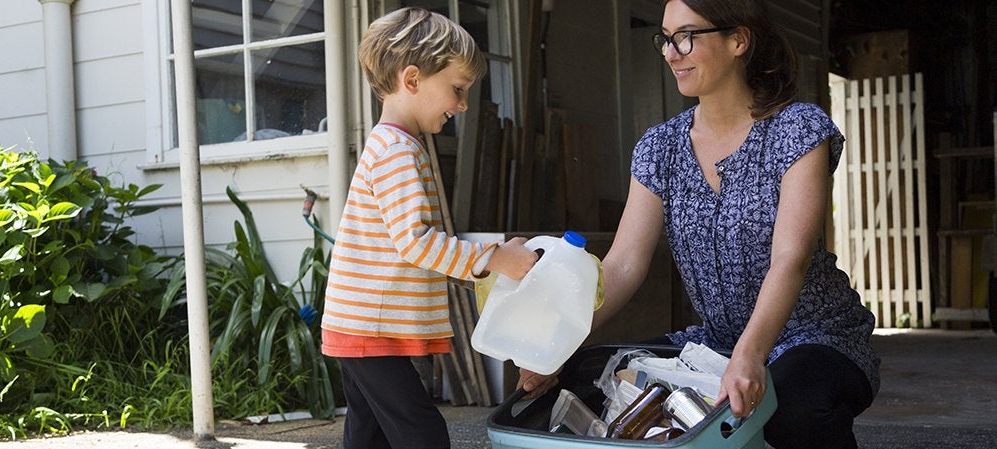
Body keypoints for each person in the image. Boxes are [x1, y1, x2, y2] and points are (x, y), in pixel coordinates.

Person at [517, 1, 879, 448]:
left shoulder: (797, 129)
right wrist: (556, 344)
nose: (671, 53)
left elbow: (791, 257)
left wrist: (749, 356)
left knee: (792, 406)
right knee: (590, 377)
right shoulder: (660, 147)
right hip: (716, 342)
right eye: (666, 39)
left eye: (686, 37)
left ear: (738, 40)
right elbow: (624, 264)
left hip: (817, 336)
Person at [319, 7, 538, 449]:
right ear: (413, 79)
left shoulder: (393, 144)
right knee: (421, 434)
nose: (463, 104)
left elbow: (407, 245)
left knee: (370, 434)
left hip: (361, 324)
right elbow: (416, 243)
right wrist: (496, 259)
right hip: (372, 328)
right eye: (457, 89)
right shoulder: (397, 151)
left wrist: (489, 264)